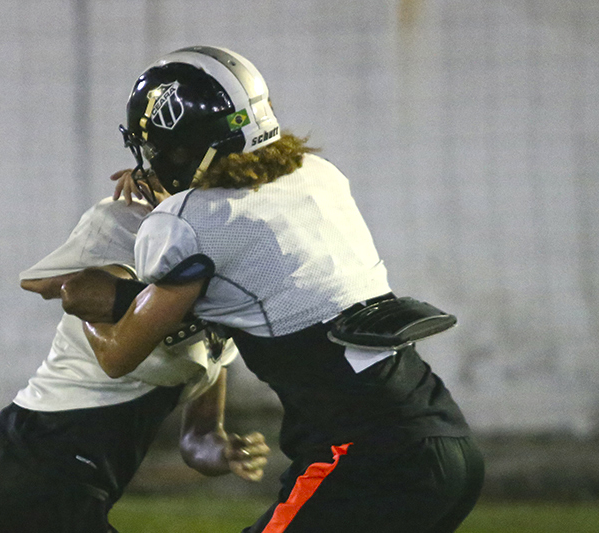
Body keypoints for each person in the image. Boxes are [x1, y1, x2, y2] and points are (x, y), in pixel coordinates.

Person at [74, 46, 484, 532]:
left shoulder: (188, 224)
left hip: (364, 454)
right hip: (445, 437)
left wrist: (79, 295)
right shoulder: (318, 176)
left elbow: (118, 355)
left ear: (184, 148)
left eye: (162, 150)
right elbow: (249, 240)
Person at [0, 172, 269, 533]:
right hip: (42, 462)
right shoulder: (129, 238)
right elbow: (46, 284)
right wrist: (163, 219)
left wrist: (227, 453)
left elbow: (198, 438)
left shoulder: (221, 321)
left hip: (59, 475)